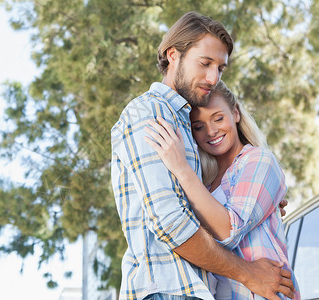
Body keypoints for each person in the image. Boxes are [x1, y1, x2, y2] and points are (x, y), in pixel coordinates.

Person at [110, 11, 295, 300]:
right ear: (173, 55)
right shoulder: (149, 113)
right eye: (205, 63)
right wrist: (247, 273)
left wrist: (266, 203)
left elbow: (206, 212)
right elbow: (170, 222)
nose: (213, 77)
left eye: (220, 68)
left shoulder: (185, 120)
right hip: (167, 290)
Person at [144, 81, 300, 299]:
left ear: (235, 113)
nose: (211, 131)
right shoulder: (204, 184)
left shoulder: (259, 160)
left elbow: (229, 232)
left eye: (218, 118)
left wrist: (180, 167)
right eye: (198, 126)